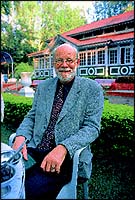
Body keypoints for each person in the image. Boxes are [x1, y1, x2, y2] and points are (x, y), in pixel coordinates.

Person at [12, 43, 104, 199]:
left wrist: (64, 147)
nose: (64, 65)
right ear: (53, 63)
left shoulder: (92, 89)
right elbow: (32, 116)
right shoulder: (43, 87)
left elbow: (92, 128)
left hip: (67, 158)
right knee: (7, 177)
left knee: (27, 190)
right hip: (36, 149)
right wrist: (21, 136)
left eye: (69, 60)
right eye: (59, 60)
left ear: (77, 62)